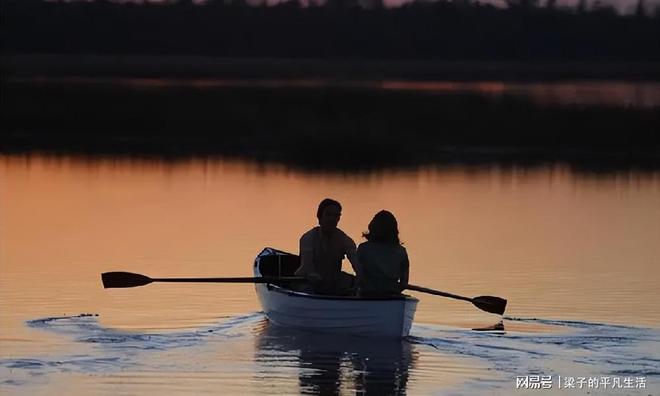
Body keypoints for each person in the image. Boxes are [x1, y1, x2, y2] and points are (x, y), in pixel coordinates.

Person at [295, 198, 361, 295]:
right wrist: (313, 275)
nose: (331, 219)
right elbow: (307, 265)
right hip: (306, 281)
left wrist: (359, 280)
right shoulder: (308, 238)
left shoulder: (345, 240)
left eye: (335, 216)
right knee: (307, 289)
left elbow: (357, 265)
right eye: (328, 215)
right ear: (320, 217)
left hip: (333, 282)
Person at [357, 210, 409, 297]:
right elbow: (404, 283)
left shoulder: (363, 248)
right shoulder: (401, 251)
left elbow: (359, 276)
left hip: (367, 294)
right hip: (392, 294)